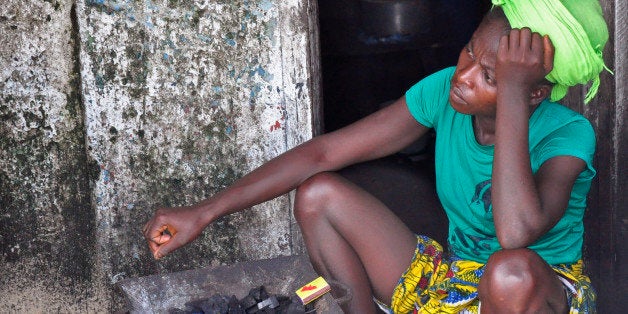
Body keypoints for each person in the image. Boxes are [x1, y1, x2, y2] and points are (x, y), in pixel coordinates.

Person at [143, 0, 609, 312]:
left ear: (534, 93)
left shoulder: (568, 134)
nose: (461, 76)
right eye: (468, 50)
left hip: (535, 292)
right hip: (455, 282)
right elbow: (324, 152)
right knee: (318, 194)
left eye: (489, 74)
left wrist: (510, 91)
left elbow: (515, 233)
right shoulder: (444, 95)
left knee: (509, 273)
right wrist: (205, 213)